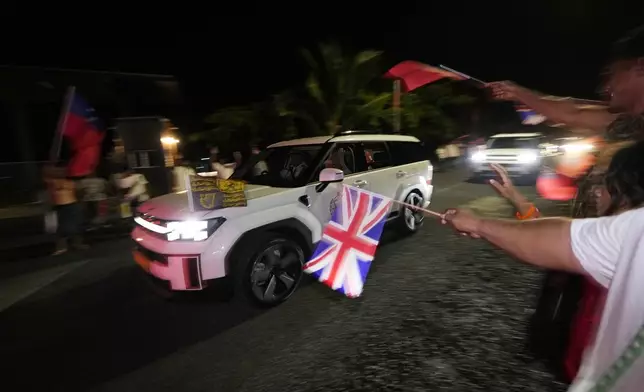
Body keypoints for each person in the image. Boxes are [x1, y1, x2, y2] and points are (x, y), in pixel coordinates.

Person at [442, 141, 644, 391]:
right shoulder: (621, 234)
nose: (595, 191)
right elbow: (553, 238)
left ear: (629, 188)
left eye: (603, 181)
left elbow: (559, 240)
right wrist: (515, 198)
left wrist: (478, 224)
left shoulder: (633, 234)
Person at [488, 24, 644, 136]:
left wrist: (518, 93)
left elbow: (573, 114)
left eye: (613, 74)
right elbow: (573, 114)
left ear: (641, 67)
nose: (606, 88)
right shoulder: (631, 123)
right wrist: (517, 92)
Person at [44, 165, 86, 255]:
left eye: (62, 171)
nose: (61, 172)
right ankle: (62, 247)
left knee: (77, 225)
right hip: (60, 206)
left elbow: (79, 192)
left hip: (72, 204)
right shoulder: (51, 182)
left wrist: (80, 201)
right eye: (58, 171)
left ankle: (77, 243)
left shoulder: (70, 182)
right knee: (61, 227)